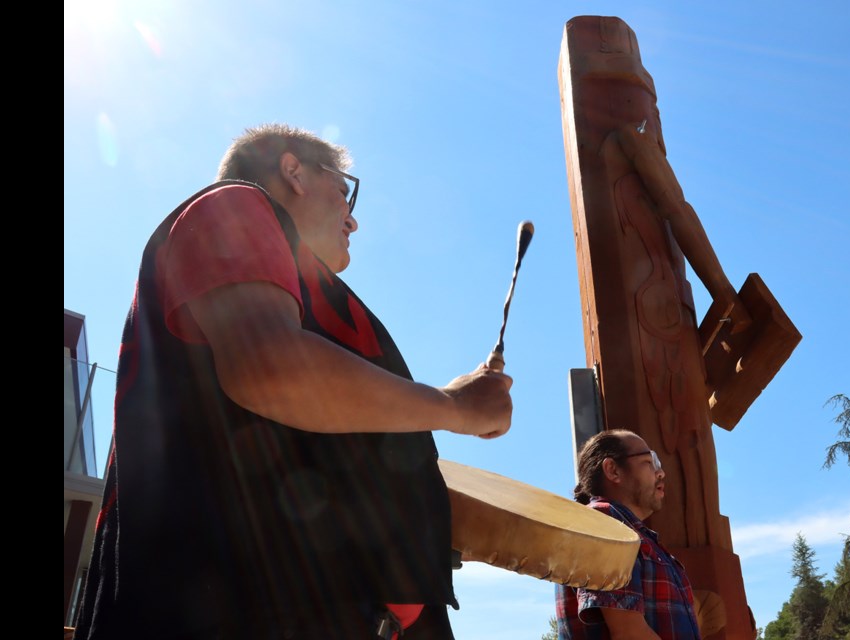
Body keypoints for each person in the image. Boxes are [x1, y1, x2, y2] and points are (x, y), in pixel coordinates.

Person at [73, 123, 513, 640]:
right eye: (344, 190)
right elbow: (269, 368)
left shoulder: (312, 296)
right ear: (293, 171)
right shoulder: (236, 205)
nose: (353, 220)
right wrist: (453, 406)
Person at [556, 429, 701, 640]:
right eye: (649, 461)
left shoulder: (632, 533)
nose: (661, 473)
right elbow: (629, 634)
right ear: (613, 470)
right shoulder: (602, 521)